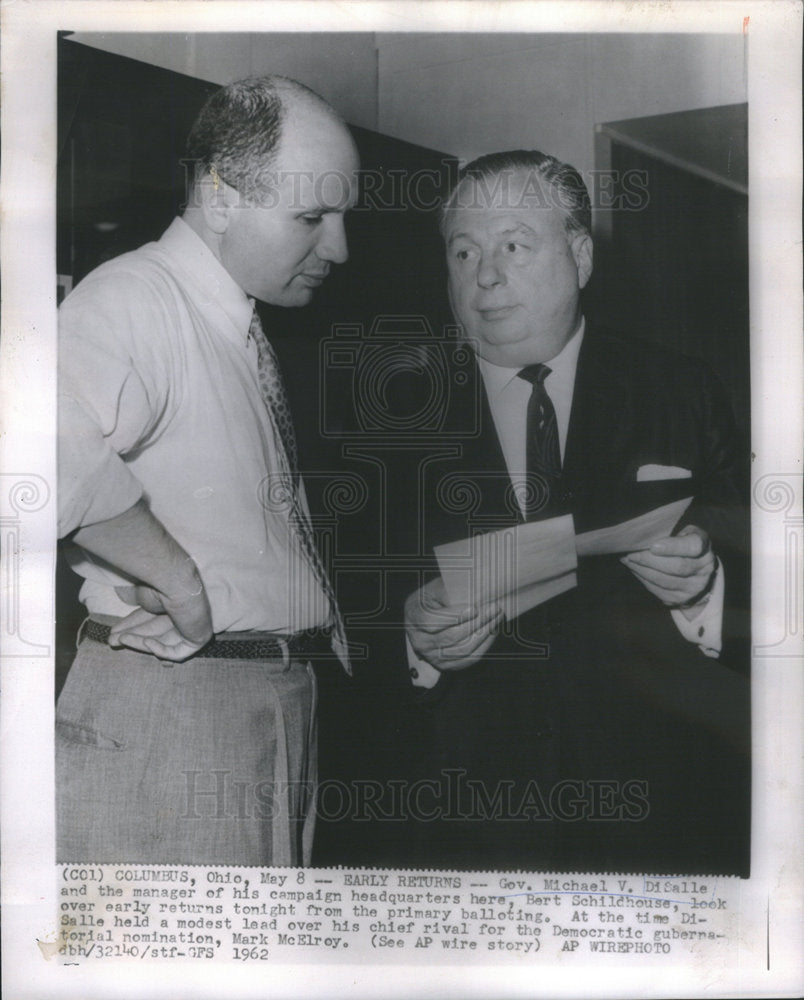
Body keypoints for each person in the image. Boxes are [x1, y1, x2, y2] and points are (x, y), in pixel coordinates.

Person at [397, 150, 750, 874]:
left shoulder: (679, 388)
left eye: (514, 246)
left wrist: (706, 592)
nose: (484, 275)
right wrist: (413, 644)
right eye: (463, 251)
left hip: (659, 820)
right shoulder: (392, 410)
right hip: (466, 828)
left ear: (581, 256)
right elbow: (338, 607)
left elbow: (765, 580)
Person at [56, 75, 359, 866]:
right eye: (311, 217)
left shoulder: (230, 322)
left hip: (259, 700)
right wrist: (182, 584)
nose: (339, 248)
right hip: (185, 706)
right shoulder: (135, 297)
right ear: (221, 196)